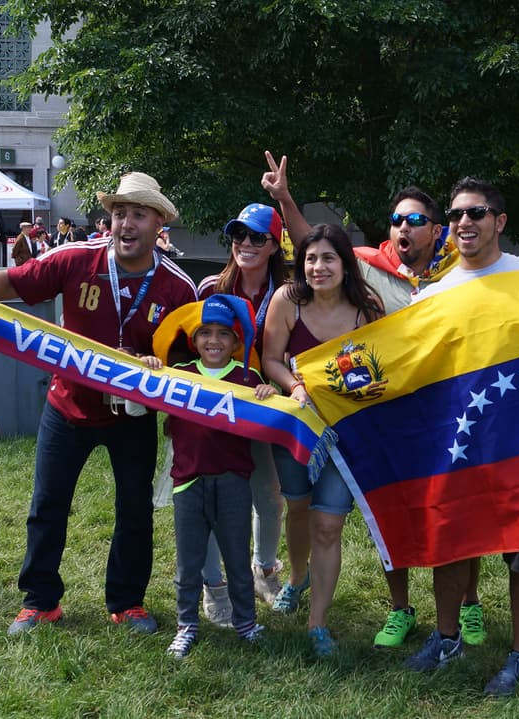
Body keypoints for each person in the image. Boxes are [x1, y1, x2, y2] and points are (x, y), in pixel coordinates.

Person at [260, 153, 519, 648]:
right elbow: (317, 249)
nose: (463, 222)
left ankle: (497, 634)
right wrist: (284, 198)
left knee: (516, 541)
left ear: (442, 231)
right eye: (398, 220)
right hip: (439, 417)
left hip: (508, 419)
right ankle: (420, 619)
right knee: (437, 518)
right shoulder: (397, 279)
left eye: (420, 220)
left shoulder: (490, 271)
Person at [0, 171, 197, 636]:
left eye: (138, 214)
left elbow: (190, 356)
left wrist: (159, 364)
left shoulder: (177, 287)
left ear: (159, 224)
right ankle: (40, 601)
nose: (126, 223)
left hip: (132, 417)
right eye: (119, 213)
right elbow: (13, 282)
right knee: (48, 503)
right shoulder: (76, 258)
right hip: (67, 406)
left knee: (133, 510)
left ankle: (127, 601)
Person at [410, 173, 519, 696]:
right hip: (458, 445)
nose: (465, 222)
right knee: (450, 543)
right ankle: (446, 636)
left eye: (477, 213)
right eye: (457, 214)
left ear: (498, 222)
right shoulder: (432, 296)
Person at [260, 223, 384, 657]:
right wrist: (295, 386)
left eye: (328, 258)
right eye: (310, 259)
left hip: (346, 432)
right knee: (298, 508)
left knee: (329, 524)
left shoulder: (365, 309)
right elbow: (270, 360)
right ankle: (297, 578)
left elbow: (379, 369)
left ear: (345, 263)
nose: (318, 267)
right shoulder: (286, 301)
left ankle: (318, 623)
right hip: (296, 427)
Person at [148, 294, 277, 657]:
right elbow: (144, 387)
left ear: (237, 343)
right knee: (189, 562)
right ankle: (186, 624)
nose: (214, 341)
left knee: (237, 558)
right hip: (188, 481)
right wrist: (147, 365)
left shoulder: (246, 378)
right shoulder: (181, 374)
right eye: (205, 333)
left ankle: (246, 622)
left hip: (234, 481)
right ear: (194, 341)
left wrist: (271, 391)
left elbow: (274, 410)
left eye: (223, 334)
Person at [193, 203, 290, 623]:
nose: (245, 244)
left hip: (263, 410)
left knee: (268, 497)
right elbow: (187, 346)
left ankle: (264, 569)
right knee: (211, 498)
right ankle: (213, 587)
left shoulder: (289, 292)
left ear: (274, 245)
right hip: (214, 412)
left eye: (256, 237)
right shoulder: (211, 289)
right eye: (238, 235)